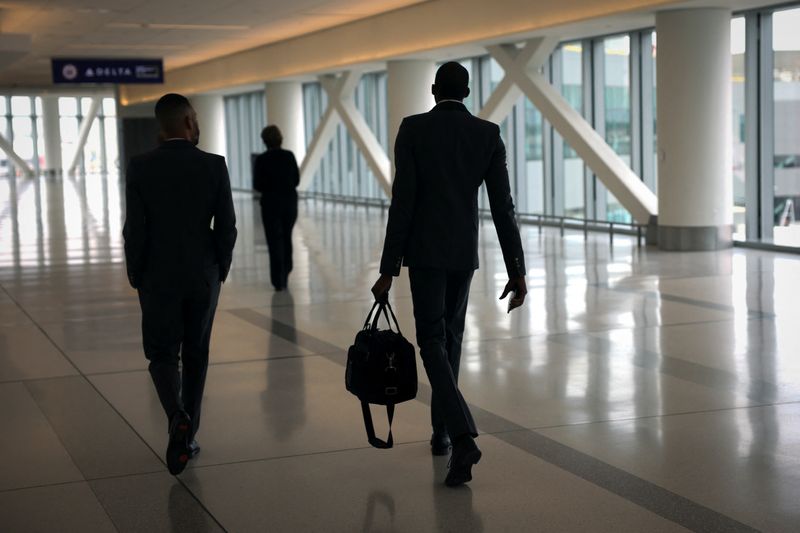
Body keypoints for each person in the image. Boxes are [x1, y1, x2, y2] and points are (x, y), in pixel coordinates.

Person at [371, 62, 527, 487]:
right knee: (450, 341)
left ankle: (460, 435)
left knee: (433, 342)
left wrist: (389, 268)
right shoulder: (487, 135)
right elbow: (503, 208)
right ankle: (441, 433)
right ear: (469, 92)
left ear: (434, 89)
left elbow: (402, 202)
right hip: (462, 255)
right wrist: (517, 270)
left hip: (424, 255)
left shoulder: (413, 129)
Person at [123, 93, 237, 475]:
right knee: (196, 354)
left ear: (162, 124)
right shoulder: (214, 165)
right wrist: (219, 267)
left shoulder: (140, 167)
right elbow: (227, 225)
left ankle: (176, 416)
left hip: (157, 275)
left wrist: (135, 271)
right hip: (202, 274)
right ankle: (189, 438)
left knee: (160, 354)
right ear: (188, 121)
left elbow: (135, 229)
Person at [253, 125, 300, 291]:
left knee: (274, 241)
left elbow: (258, 185)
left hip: (271, 204)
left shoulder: (262, 160)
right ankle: (286, 270)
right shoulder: (289, 156)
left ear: (265, 141)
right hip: (289, 203)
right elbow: (296, 180)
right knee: (287, 237)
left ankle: (278, 279)